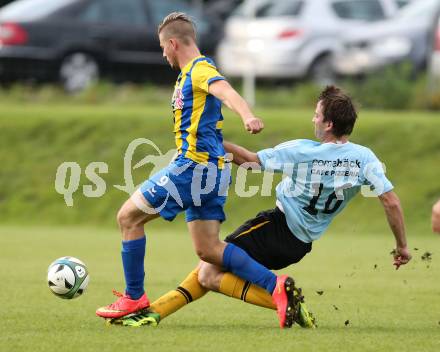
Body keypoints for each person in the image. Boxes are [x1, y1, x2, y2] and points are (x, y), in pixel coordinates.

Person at [111, 85, 412, 329]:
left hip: (276, 227)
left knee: (208, 270)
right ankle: (154, 313)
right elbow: (391, 201)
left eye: (317, 116)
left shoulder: (303, 151)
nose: (313, 120)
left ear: (329, 124)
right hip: (300, 245)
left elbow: (250, 161)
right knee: (210, 268)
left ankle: (283, 300)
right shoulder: (364, 158)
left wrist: (213, 144)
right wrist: (402, 246)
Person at [96, 12, 302, 329]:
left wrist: (247, 116)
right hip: (214, 171)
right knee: (209, 250)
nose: (163, 54)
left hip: (193, 168)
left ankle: (134, 296)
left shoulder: (200, 70)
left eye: (163, 47)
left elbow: (227, 92)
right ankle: (275, 287)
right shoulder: (188, 75)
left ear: (174, 43)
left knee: (128, 218)